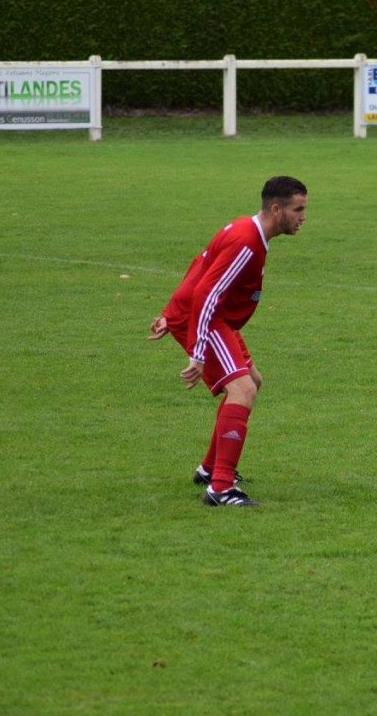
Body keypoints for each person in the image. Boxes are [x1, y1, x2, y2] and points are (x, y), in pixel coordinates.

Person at [148, 176, 309, 506]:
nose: (303, 217)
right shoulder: (246, 242)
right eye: (298, 209)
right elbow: (208, 292)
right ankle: (220, 488)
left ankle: (209, 470)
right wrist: (197, 350)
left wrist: (170, 311)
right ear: (276, 209)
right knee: (242, 389)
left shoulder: (244, 230)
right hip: (206, 318)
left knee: (252, 381)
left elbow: (202, 265)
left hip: (204, 315)